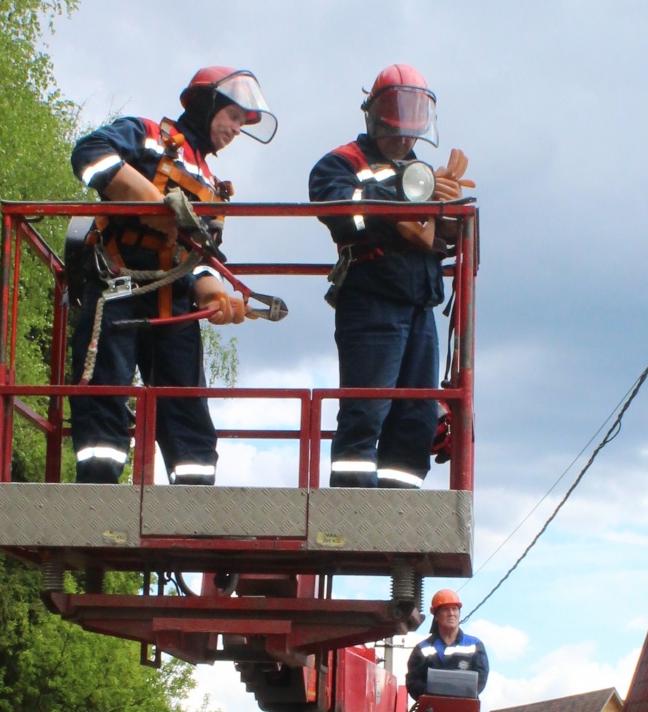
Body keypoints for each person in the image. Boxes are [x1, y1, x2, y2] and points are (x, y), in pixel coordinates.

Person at [66, 67, 277, 484]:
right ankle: (96, 497)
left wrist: (215, 294)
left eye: (242, 123)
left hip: (173, 302)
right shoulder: (149, 136)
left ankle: (194, 511)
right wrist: (152, 202)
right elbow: (88, 154)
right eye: (232, 116)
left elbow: (201, 257)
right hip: (117, 284)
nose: (236, 129)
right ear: (206, 103)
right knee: (104, 394)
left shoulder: (215, 189)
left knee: (188, 411)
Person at [308, 65, 474, 488]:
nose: (405, 141)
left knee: (416, 416)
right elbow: (339, 211)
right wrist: (413, 192)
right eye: (397, 131)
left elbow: (437, 239)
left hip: (419, 305)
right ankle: (351, 513)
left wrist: (449, 220)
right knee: (366, 411)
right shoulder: (341, 164)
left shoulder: (424, 175)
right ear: (374, 120)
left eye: (411, 133)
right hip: (371, 299)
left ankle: (401, 513)